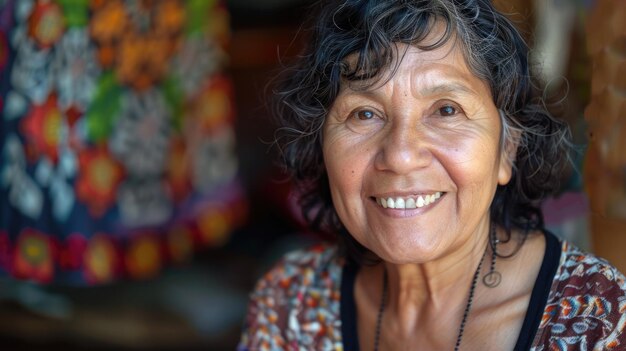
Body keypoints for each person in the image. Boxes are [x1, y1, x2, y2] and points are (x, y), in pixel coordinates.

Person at [238, 0, 626, 350]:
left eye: (446, 110)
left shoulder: (599, 322)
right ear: (322, 145)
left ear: (507, 148)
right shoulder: (291, 306)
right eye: (365, 113)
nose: (402, 156)